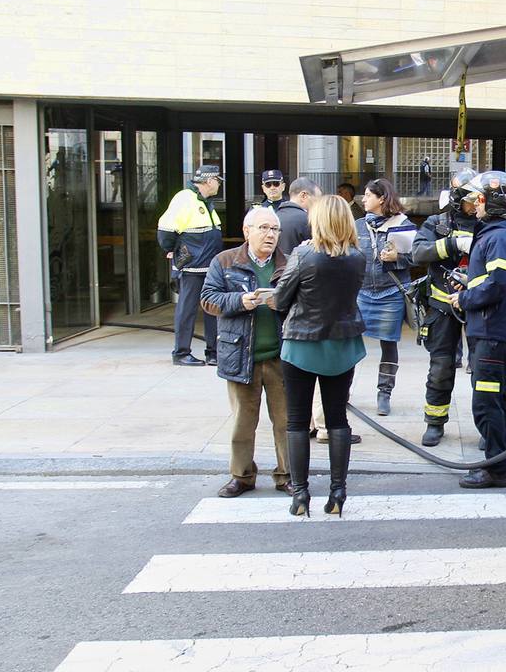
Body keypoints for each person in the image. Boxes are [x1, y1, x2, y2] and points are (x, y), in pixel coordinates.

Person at [411, 168, 506, 446]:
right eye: (471, 198)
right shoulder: (438, 222)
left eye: (479, 198)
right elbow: (418, 253)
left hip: (482, 310)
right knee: (441, 368)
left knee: (483, 374)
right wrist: (453, 243)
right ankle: (435, 421)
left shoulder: (494, 224)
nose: (475, 203)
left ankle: (488, 430)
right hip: (445, 306)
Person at [274, 195, 367, 518]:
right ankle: (337, 491)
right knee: (338, 419)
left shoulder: (303, 254)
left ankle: (300, 494)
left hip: (302, 343)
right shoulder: (358, 257)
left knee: (297, 421)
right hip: (342, 344)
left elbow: (281, 298)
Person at [200, 207, 291, 497]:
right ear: (246, 231)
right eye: (264, 228)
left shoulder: (289, 264)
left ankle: (287, 475)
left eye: (275, 229)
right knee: (243, 422)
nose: (270, 235)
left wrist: (284, 304)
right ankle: (242, 476)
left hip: (280, 356)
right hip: (241, 355)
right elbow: (208, 300)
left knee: (286, 421)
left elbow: (304, 303)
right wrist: (240, 301)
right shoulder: (224, 262)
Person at [452, 170, 506, 488]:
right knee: (497, 398)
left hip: (493, 332)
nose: (474, 205)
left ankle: (495, 470)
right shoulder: (498, 234)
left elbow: (498, 285)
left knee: (485, 402)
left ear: (491, 202)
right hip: (496, 331)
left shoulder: (497, 237)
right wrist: (470, 284)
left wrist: (464, 298)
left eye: (479, 199)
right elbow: (494, 280)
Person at [356, 178, 415, 417]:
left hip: (390, 291)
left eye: (368, 195)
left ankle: (384, 393)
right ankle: (344, 388)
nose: (363, 199)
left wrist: (397, 259)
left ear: (381, 198)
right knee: (349, 340)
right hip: (360, 292)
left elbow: (418, 256)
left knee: (388, 343)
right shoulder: (358, 225)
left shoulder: (403, 224)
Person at [157, 164, 225, 367]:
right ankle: (181, 352)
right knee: (187, 310)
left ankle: (213, 352)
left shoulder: (205, 202)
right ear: (210, 181)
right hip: (192, 268)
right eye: (218, 181)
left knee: (213, 308)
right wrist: (177, 253)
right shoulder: (185, 199)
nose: (219, 185)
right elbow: (165, 232)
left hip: (209, 267)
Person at [276, 177, 320, 256]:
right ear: (304, 195)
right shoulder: (309, 220)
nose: (318, 204)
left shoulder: (274, 218)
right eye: (317, 199)